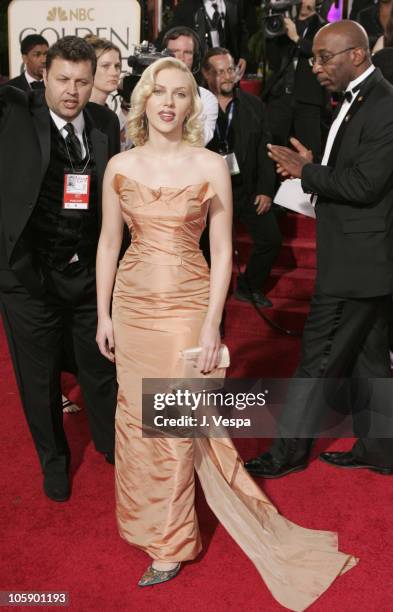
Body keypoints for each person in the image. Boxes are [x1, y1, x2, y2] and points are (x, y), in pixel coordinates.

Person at [96, 55, 357, 610]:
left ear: (195, 103)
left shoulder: (212, 165)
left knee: (172, 420)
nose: (168, 102)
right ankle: (148, 524)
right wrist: (103, 313)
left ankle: (170, 542)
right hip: (133, 304)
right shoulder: (119, 163)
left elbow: (221, 252)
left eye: (181, 93)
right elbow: (107, 243)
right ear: (145, 100)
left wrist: (214, 322)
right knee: (137, 416)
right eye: (159, 92)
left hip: (187, 306)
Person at [245, 20, 393, 479]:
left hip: (356, 262)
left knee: (318, 356)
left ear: (357, 55)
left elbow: (366, 184)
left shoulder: (385, 106)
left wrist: (306, 173)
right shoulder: (361, 102)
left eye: (324, 58)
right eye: (312, 58)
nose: (316, 67)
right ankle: (383, 449)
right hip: (363, 258)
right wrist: (313, 165)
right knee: (370, 358)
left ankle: (286, 452)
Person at [0, 36, 120, 502]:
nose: (72, 90)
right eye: (63, 79)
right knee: (39, 380)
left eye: (82, 81)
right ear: (43, 77)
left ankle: (112, 446)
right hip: (27, 278)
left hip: (89, 273)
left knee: (100, 366)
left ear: (94, 82)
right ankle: (54, 461)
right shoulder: (14, 113)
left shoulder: (105, 122)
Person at [202, 47, 281, 307]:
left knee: (270, 239)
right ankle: (208, 299)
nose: (227, 76)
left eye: (230, 69)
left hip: (246, 189)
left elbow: (265, 149)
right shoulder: (197, 107)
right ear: (205, 74)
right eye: (219, 71)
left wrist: (266, 190)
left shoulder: (253, 105)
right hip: (209, 194)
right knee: (205, 248)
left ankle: (248, 287)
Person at [262, 0, 327, 159]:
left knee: (309, 152)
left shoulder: (324, 27)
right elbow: (274, 62)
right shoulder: (284, 24)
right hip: (280, 97)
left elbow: (323, 54)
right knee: (273, 150)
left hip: (308, 99)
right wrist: (272, 35)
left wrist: (296, 38)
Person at [161, 25, 218, 144]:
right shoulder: (148, 91)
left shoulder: (207, 99)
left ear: (195, 58)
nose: (180, 58)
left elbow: (201, 141)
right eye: (174, 52)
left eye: (187, 52)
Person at [166, 0, 249, 78]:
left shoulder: (234, 4)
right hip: (200, 72)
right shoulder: (186, 7)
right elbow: (173, 36)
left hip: (228, 70)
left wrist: (243, 56)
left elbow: (241, 30)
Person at [84, 36, 122, 106]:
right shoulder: (77, 113)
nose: (114, 73)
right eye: (105, 66)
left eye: (117, 66)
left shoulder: (109, 114)